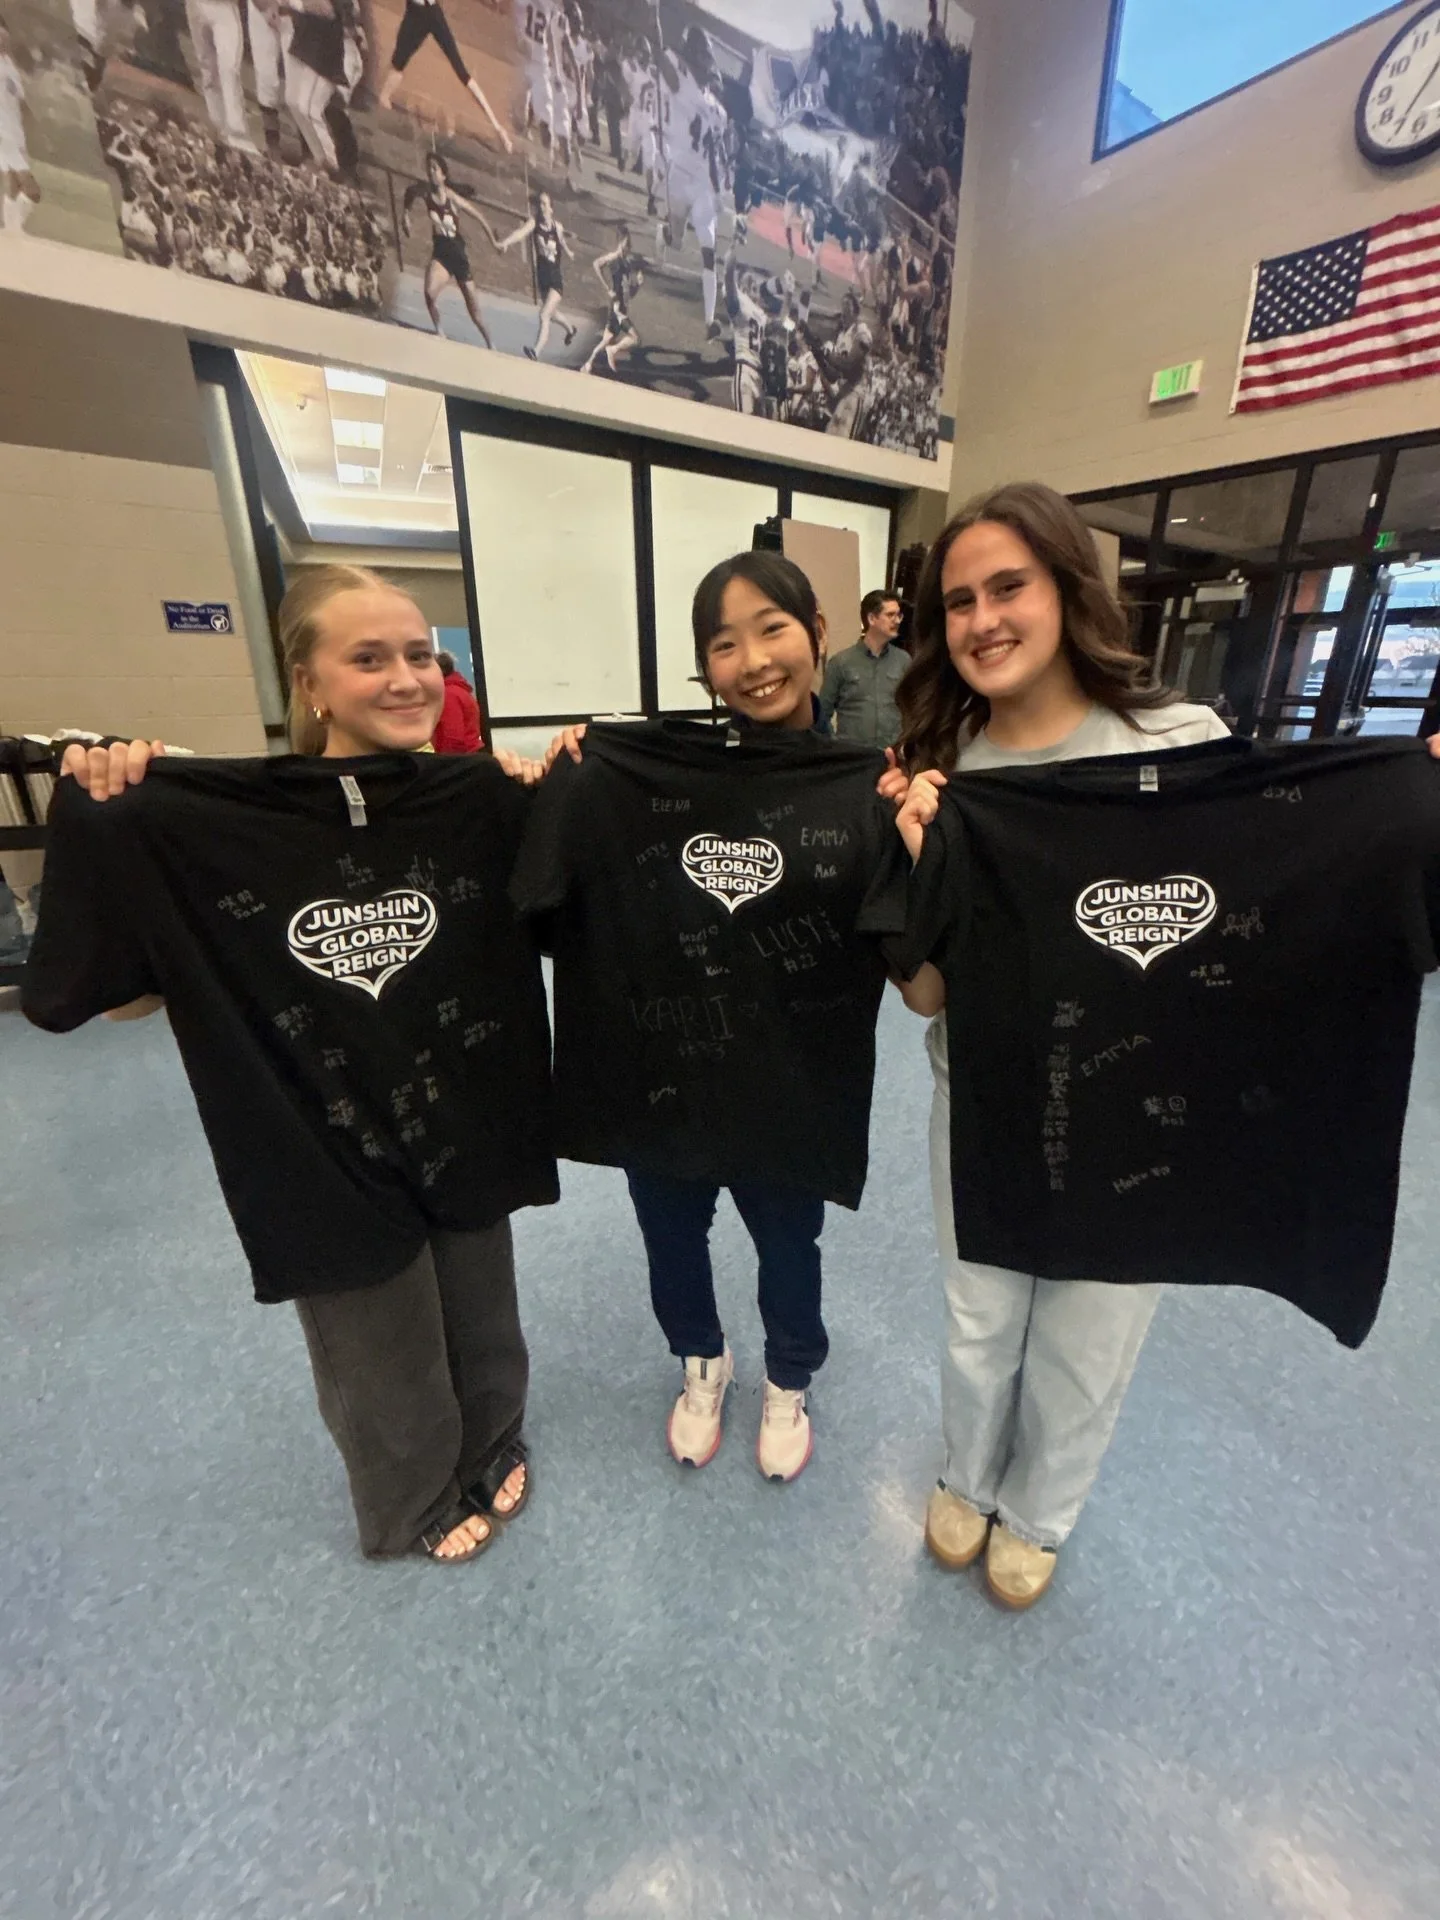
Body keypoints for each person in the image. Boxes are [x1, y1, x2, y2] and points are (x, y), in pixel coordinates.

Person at [30, 568, 554, 1565]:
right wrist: (116, 808)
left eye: (421, 656)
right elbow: (112, 993)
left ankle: (492, 1438)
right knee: (374, 1323)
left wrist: (542, 781)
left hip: (459, 1098)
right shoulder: (204, 818)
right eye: (369, 658)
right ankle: (411, 1500)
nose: (405, 678)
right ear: (307, 683)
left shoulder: (479, 800)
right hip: (315, 1124)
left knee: (481, 1292)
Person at [889, 483, 1235, 1610]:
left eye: (1009, 587)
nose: (983, 620)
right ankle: (967, 1476)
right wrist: (918, 868)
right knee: (979, 1321)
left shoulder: (1181, 746)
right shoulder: (946, 769)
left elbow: (1257, 921)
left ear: (1068, 590)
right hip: (986, 1101)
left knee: (1089, 1339)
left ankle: (1039, 1511)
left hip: (1133, 1107)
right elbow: (926, 998)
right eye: (959, 602)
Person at [537, 554, 906, 1483]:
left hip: (792, 1071)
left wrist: (911, 821)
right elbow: (551, 901)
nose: (754, 661)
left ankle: (789, 1377)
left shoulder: (868, 784)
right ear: (705, 667)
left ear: (817, 632)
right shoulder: (639, 776)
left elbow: (911, 956)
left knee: (789, 1241)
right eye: (724, 644)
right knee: (669, 1234)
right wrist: (569, 772)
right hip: (665, 1065)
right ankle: (702, 1360)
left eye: (772, 629)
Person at [378, 0, 513, 152]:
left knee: (397, 66)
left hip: (422, 13)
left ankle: (498, 127)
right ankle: (498, 128)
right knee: (398, 66)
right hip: (427, 12)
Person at [403, 153, 499, 345]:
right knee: (429, 294)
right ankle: (440, 332)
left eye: (435, 168)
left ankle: (491, 344)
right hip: (441, 255)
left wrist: (494, 243)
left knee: (475, 314)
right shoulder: (426, 194)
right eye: (428, 168)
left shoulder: (452, 198)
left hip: (459, 258)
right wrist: (405, 216)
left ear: (443, 175)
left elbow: (479, 217)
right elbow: (410, 192)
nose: (430, 172)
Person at [819, 589, 909, 746]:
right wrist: (834, 745)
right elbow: (822, 714)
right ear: (871, 618)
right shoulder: (841, 662)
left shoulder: (903, 660)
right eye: (890, 615)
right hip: (852, 754)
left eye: (899, 615)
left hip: (892, 752)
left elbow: (912, 708)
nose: (897, 621)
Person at [500, 191, 578, 360]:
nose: (541, 207)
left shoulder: (557, 227)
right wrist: (506, 242)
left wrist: (569, 251)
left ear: (551, 208)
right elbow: (520, 233)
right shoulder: (534, 223)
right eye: (539, 204)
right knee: (552, 313)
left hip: (555, 279)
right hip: (542, 278)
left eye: (544, 204)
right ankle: (571, 329)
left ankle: (536, 351)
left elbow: (562, 241)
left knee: (544, 314)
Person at [583, 222, 642, 374]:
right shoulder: (613, 258)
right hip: (617, 309)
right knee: (635, 338)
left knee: (606, 339)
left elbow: (629, 293)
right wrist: (607, 288)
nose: (629, 247)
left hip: (623, 308)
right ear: (621, 243)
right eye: (627, 244)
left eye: (630, 244)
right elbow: (596, 264)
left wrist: (638, 285)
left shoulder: (627, 264)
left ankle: (587, 364)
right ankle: (613, 350)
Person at [432, 647, 483, 752]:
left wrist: (447, 759)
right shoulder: (460, 690)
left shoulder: (448, 695)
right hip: (470, 751)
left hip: (460, 755)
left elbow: (452, 735)